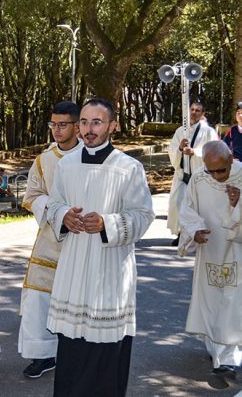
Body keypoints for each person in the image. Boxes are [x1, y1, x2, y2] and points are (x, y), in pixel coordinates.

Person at [46, 98, 155, 396]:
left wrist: (107, 223)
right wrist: (63, 216)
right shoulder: (66, 165)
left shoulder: (128, 167)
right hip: (74, 265)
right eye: (84, 122)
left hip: (109, 269)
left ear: (112, 125)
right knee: (72, 350)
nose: (89, 129)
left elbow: (144, 215)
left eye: (96, 122)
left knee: (106, 350)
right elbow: (53, 204)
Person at [18, 101, 83, 379]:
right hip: (50, 239)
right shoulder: (44, 159)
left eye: (63, 124)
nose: (56, 130)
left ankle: (78, 353)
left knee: (78, 297)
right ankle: (43, 354)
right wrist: (58, 213)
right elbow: (31, 195)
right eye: (52, 124)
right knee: (39, 296)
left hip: (83, 237)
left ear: (78, 126)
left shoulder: (92, 157)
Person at [178, 140, 242, 376]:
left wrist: (238, 204)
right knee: (211, 299)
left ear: (231, 160)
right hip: (210, 247)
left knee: (233, 302)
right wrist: (194, 230)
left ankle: (227, 357)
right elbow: (187, 209)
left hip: (237, 250)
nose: (215, 176)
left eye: (221, 170)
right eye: (210, 170)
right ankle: (215, 346)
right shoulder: (198, 178)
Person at [168, 102, 219, 245]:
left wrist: (195, 152)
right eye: (192, 109)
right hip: (182, 175)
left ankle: (198, 233)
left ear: (203, 113)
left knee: (197, 206)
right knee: (178, 203)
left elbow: (213, 151)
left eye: (198, 110)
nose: (194, 112)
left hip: (200, 175)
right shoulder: (180, 131)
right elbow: (171, 150)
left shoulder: (209, 132)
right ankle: (181, 234)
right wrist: (179, 148)